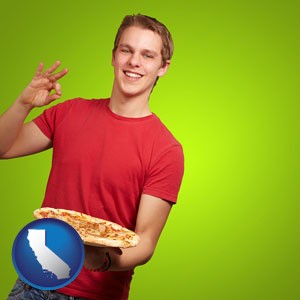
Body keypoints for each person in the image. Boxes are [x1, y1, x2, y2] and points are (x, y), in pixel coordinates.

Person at [1, 14, 184, 300]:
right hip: (32, 283)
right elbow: (3, 148)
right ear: (114, 56)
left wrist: (104, 261)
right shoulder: (69, 113)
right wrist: (24, 103)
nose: (134, 62)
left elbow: (146, 241)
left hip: (95, 293)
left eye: (147, 55)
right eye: (127, 50)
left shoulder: (166, 149)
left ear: (163, 67)